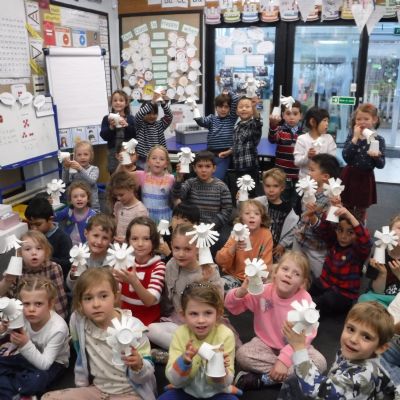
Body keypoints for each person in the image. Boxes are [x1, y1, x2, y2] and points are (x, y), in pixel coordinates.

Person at [43, 268, 157, 400]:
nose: (96, 304)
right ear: (80, 302)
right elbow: (80, 354)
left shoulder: (134, 327)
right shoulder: (79, 321)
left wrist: (139, 365)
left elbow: (146, 375)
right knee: (48, 398)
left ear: (115, 296)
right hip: (98, 391)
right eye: (88, 298)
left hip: (130, 393)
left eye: (103, 296)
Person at [225, 251, 326, 391]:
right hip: (265, 345)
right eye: (285, 269)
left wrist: (284, 360)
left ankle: (265, 380)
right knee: (242, 355)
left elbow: (308, 335)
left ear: (302, 283)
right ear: (275, 272)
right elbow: (233, 308)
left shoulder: (305, 299)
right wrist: (241, 291)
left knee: (320, 362)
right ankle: (291, 378)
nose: (289, 275)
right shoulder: (263, 291)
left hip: (295, 347)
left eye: (296, 274)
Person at [278, 301, 395, 399]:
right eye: (351, 329)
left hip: (327, 392)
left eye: (366, 337)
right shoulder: (354, 352)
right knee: (294, 380)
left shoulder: (360, 377)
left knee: (297, 382)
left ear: (380, 348)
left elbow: (318, 391)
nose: (353, 339)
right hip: (336, 388)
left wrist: (299, 347)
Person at [147, 223, 223, 351]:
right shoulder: (171, 265)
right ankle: (195, 351)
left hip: (203, 323)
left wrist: (205, 282)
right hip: (179, 321)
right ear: (171, 245)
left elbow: (219, 303)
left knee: (220, 339)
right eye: (177, 248)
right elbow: (168, 299)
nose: (181, 254)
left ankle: (191, 350)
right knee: (151, 330)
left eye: (187, 249)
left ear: (197, 248)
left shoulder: (208, 270)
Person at [158, 282, 240, 400]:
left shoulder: (225, 335)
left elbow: (225, 383)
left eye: (208, 313)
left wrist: (221, 371)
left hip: (217, 392)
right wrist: (184, 362)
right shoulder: (180, 334)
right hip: (186, 390)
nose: (201, 320)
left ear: (218, 314)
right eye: (194, 314)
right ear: (183, 315)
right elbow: (174, 380)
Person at [0, 277, 69, 400]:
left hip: (53, 363)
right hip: (26, 356)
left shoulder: (58, 328)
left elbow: (45, 364)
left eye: (38, 304)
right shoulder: (22, 313)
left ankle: (10, 388)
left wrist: (25, 344)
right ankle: (17, 391)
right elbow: (10, 331)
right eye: (26, 304)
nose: (31, 309)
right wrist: (4, 329)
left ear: (50, 304)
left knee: (35, 381)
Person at [307, 204, 372, 316]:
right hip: (326, 284)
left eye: (350, 232)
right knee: (308, 285)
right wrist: (331, 209)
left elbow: (366, 242)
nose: (343, 236)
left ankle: (308, 311)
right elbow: (323, 230)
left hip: (343, 293)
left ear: (356, 233)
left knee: (326, 300)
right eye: (340, 230)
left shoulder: (358, 251)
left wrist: (349, 216)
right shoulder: (333, 242)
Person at [172, 150, 233, 252]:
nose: (203, 170)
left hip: (212, 231)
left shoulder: (221, 186)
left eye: (207, 166)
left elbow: (227, 210)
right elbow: (177, 196)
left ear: (214, 168)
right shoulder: (190, 183)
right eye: (200, 166)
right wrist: (179, 179)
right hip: (191, 230)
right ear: (194, 168)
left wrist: (212, 226)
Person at [292, 153, 341, 278]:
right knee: (294, 269)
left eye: (312, 170)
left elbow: (330, 229)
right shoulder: (309, 191)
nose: (308, 173)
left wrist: (313, 217)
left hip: (316, 247)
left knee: (318, 278)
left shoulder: (332, 200)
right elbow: (301, 214)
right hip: (300, 239)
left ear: (325, 177)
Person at [0, 230, 68, 319]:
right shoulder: (16, 270)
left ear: (46, 252)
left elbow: (58, 299)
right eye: (28, 249)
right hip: (22, 317)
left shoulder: (53, 268)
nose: (34, 253)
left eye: (39, 248)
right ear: (20, 253)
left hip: (49, 316)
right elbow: (6, 299)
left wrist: (59, 321)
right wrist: (7, 280)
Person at [113, 216, 166, 326]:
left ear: (154, 241)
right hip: (123, 320)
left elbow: (149, 301)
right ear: (128, 241)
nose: (140, 244)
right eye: (134, 239)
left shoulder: (158, 266)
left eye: (146, 239)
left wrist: (134, 281)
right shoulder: (122, 262)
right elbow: (115, 299)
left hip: (148, 323)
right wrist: (112, 281)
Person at [341, 103, 385, 223]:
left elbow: (381, 165)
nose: (362, 122)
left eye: (366, 119)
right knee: (346, 206)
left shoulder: (379, 139)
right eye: (359, 119)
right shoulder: (352, 135)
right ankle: (344, 229)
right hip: (349, 176)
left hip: (365, 178)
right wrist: (355, 138)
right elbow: (346, 157)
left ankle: (359, 228)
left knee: (361, 209)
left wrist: (376, 157)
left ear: (374, 120)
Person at [216, 199, 273, 292]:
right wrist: (234, 247)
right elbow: (220, 260)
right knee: (219, 286)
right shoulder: (237, 232)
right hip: (235, 277)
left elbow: (267, 263)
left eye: (256, 214)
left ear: (262, 219)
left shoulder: (266, 234)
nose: (252, 216)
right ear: (241, 218)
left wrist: (257, 279)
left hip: (256, 279)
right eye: (247, 213)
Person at [220, 96, 262, 199]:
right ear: (237, 111)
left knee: (250, 194)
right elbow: (237, 144)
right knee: (240, 193)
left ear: (252, 111)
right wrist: (229, 151)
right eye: (241, 107)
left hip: (250, 166)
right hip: (238, 166)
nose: (244, 109)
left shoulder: (253, 125)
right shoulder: (237, 126)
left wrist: (254, 107)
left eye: (247, 106)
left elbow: (258, 121)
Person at [254, 168, 299, 261]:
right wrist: (240, 200)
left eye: (275, 186)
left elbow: (293, 229)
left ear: (282, 188)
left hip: (275, 251)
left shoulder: (287, 209)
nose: (271, 190)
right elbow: (246, 210)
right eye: (268, 186)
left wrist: (283, 244)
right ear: (263, 186)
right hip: (257, 246)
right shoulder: (259, 202)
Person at [194, 91, 239, 180]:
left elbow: (236, 99)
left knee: (217, 179)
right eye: (220, 106)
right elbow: (201, 121)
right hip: (210, 154)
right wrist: (195, 109)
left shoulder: (231, 118)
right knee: (206, 177)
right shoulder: (212, 118)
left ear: (230, 108)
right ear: (216, 107)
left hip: (225, 155)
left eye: (226, 107)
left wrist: (229, 93)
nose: (223, 109)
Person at [359, 213, 400, 308]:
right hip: (381, 297)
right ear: (389, 231)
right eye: (399, 228)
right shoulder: (379, 254)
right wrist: (382, 273)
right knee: (364, 299)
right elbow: (378, 291)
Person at [25, 197, 72, 277]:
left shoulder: (63, 238)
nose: (33, 228)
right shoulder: (31, 236)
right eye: (30, 224)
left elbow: (68, 264)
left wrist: (45, 258)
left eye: (38, 224)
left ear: (50, 219)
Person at [66, 213, 116, 289]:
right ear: (86, 233)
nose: (99, 242)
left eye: (105, 238)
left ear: (111, 240)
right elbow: (72, 287)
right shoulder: (80, 254)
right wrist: (73, 276)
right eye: (96, 235)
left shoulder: (116, 258)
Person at [268, 100, 303, 205]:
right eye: (288, 114)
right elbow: (272, 139)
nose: (291, 117)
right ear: (283, 115)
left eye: (295, 114)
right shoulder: (279, 130)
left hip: (298, 176)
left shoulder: (304, 134)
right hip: (282, 176)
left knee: (295, 204)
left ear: (300, 116)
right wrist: (273, 125)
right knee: (281, 202)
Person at [134, 145, 175, 224]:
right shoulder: (141, 175)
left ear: (166, 164)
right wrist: (124, 162)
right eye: (154, 158)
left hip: (164, 219)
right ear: (148, 161)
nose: (157, 161)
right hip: (146, 218)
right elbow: (121, 176)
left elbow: (175, 198)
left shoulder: (171, 178)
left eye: (162, 159)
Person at [294, 106, 337, 179]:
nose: (327, 124)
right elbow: (297, 162)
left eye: (328, 121)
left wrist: (321, 158)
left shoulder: (329, 139)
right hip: (305, 181)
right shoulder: (302, 139)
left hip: (323, 180)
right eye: (324, 120)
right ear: (312, 122)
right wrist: (307, 157)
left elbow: (332, 161)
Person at [100, 89, 136, 175]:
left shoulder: (130, 118)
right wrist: (111, 127)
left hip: (128, 152)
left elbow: (135, 134)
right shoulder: (107, 118)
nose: (118, 102)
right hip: (113, 153)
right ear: (111, 103)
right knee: (115, 176)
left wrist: (127, 125)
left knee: (129, 176)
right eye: (115, 100)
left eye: (121, 100)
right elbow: (104, 136)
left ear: (126, 103)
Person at [106, 171, 148, 243]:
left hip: (133, 245)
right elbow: (116, 223)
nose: (118, 198)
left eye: (121, 195)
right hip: (118, 244)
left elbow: (142, 232)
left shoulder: (140, 210)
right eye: (116, 195)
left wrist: (127, 240)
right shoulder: (118, 205)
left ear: (131, 188)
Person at [135, 91, 173, 170]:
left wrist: (163, 103)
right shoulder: (140, 125)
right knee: (144, 177)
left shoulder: (160, 125)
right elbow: (138, 116)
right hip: (143, 160)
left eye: (154, 113)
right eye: (148, 113)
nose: (152, 116)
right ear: (144, 112)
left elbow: (169, 116)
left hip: (158, 159)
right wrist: (152, 102)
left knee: (159, 176)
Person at [62, 140, 100, 212]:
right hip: (76, 206)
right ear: (75, 157)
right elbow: (65, 181)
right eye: (79, 155)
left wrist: (80, 169)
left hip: (92, 206)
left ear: (91, 156)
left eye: (86, 154)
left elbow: (91, 181)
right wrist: (66, 168)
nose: (82, 157)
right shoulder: (73, 170)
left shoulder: (94, 169)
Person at [55, 181, 97, 246]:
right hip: (69, 245)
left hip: (84, 248)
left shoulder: (93, 215)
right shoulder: (68, 211)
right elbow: (54, 217)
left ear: (88, 198)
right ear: (70, 200)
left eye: (82, 196)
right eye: (75, 197)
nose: (79, 199)